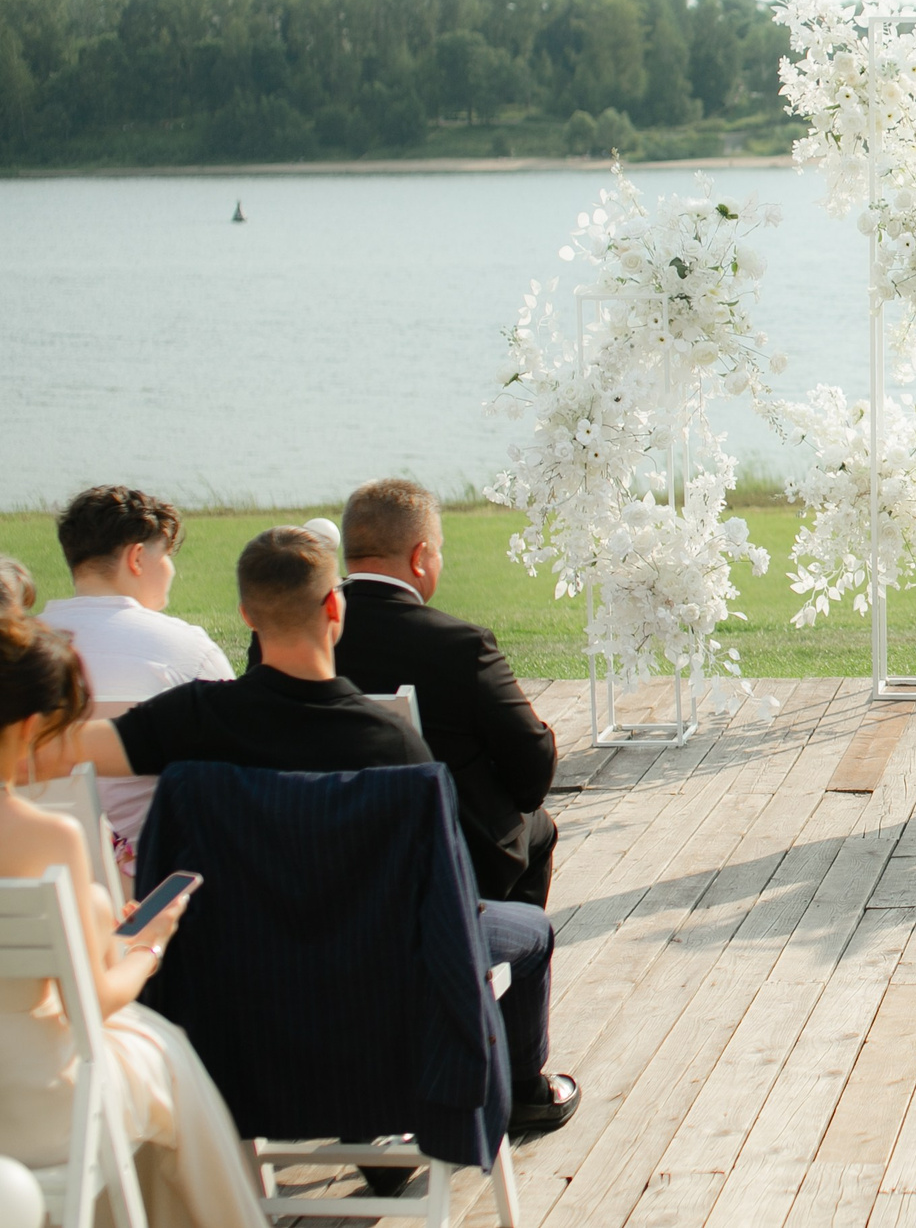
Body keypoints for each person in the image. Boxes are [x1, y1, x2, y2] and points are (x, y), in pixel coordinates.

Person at [36, 527, 579, 1137]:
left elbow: (53, 751)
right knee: (530, 932)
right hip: (378, 1004)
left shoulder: (191, 719)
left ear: (246, 614)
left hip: (240, 1006)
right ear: (334, 607)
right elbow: (443, 907)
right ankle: (523, 1096)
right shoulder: (397, 745)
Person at [0, 613, 268, 1228]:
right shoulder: (48, 837)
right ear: (28, 724)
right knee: (162, 1047)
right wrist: (149, 946)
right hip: (30, 1097)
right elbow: (90, 1004)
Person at [248, 480, 558, 906]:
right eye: (438, 550)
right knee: (536, 826)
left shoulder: (288, 635)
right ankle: (496, 950)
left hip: (316, 847)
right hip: (450, 862)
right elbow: (531, 774)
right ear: (420, 557)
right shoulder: (461, 646)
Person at [38, 486, 234, 867]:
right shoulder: (187, 651)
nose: (172, 569)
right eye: (168, 555)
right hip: (155, 882)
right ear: (138, 558)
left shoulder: (20, 648)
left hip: (30, 872)